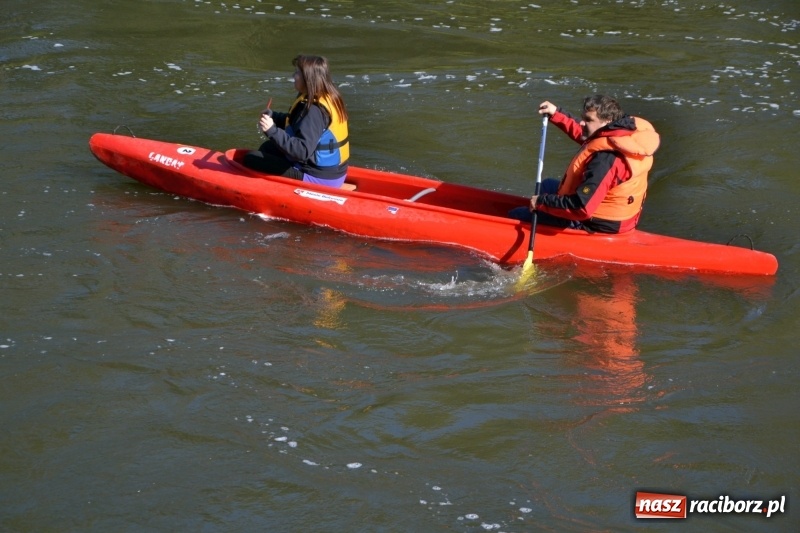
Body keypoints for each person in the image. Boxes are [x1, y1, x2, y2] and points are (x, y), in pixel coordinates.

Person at [509, 95, 660, 233]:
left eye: (588, 120)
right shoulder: (623, 132)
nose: (582, 123)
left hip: (598, 222)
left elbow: (582, 208)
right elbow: (585, 134)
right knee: (547, 185)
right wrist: (555, 113)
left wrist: (541, 202)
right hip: (616, 210)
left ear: (607, 121)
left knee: (515, 215)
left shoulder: (606, 160)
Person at [243, 54, 350, 188]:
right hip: (334, 172)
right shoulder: (325, 96)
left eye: (297, 73)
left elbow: (302, 151)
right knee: (268, 148)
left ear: (308, 78)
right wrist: (274, 117)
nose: (293, 76)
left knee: (251, 158)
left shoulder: (314, 111)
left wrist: (272, 131)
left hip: (319, 178)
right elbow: (298, 124)